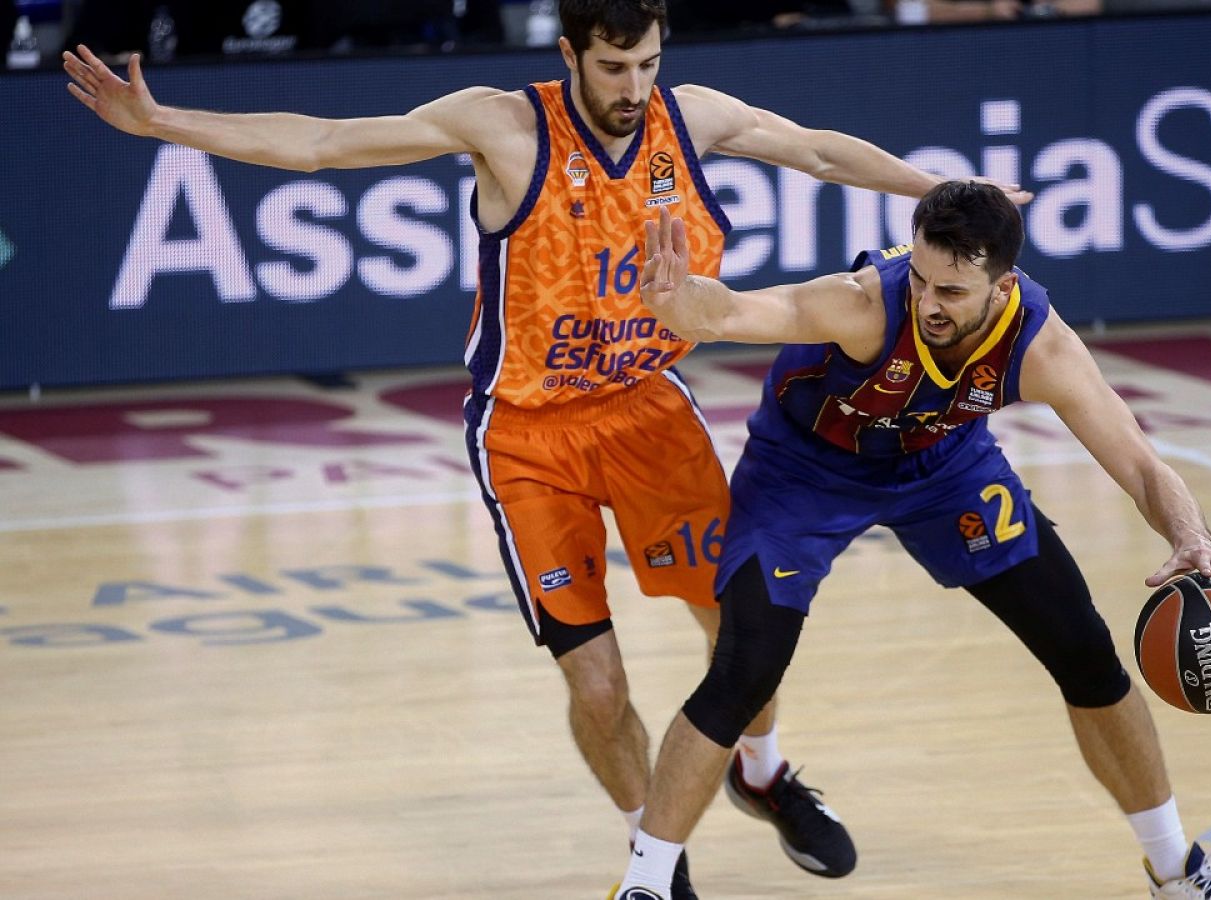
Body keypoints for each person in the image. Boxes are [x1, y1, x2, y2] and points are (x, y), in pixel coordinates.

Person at [62, 4, 1028, 895]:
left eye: (648, 65)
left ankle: (763, 774)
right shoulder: (503, 128)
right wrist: (163, 123)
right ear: (569, 53)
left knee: (743, 628)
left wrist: (951, 192)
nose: (634, 88)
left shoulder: (691, 119)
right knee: (597, 680)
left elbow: (817, 151)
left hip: (648, 412)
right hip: (527, 433)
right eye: (613, 67)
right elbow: (322, 144)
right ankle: (657, 862)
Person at [615, 181, 1211, 899]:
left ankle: (1176, 871)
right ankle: (646, 884)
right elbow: (740, 310)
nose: (929, 303)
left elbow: (1142, 465)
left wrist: (1190, 535)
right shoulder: (866, 304)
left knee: (1084, 649)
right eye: (923, 280)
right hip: (805, 471)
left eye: (953, 291)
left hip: (943, 468)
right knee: (744, 669)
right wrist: (684, 304)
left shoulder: (1041, 344)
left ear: (1003, 286)